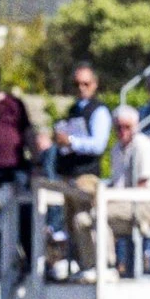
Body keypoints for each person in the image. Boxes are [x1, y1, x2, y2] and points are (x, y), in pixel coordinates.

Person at [49, 64, 112, 275]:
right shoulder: (73, 110)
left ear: (94, 85)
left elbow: (98, 145)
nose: (81, 88)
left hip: (87, 176)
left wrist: (71, 142)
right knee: (70, 222)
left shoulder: (99, 111)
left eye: (85, 83)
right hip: (70, 175)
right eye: (77, 84)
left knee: (84, 220)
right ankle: (78, 264)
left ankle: (93, 265)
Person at [103, 105, 150, 272]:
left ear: (135, 126)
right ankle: (97, 265)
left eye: (127, 127)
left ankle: (108, 266)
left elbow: (142, 186)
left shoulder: (142, 145)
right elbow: (117, 184)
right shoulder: (117, 149)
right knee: (84, 218)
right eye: (119, 127)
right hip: (127, 202)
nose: (122, 131)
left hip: (147, 204)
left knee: (99, 216)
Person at [0, 62, 31, 277]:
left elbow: (28, 132)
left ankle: (27, 259)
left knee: (22, 214)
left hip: (15, 168)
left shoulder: (13, 104)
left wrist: (37, 162)